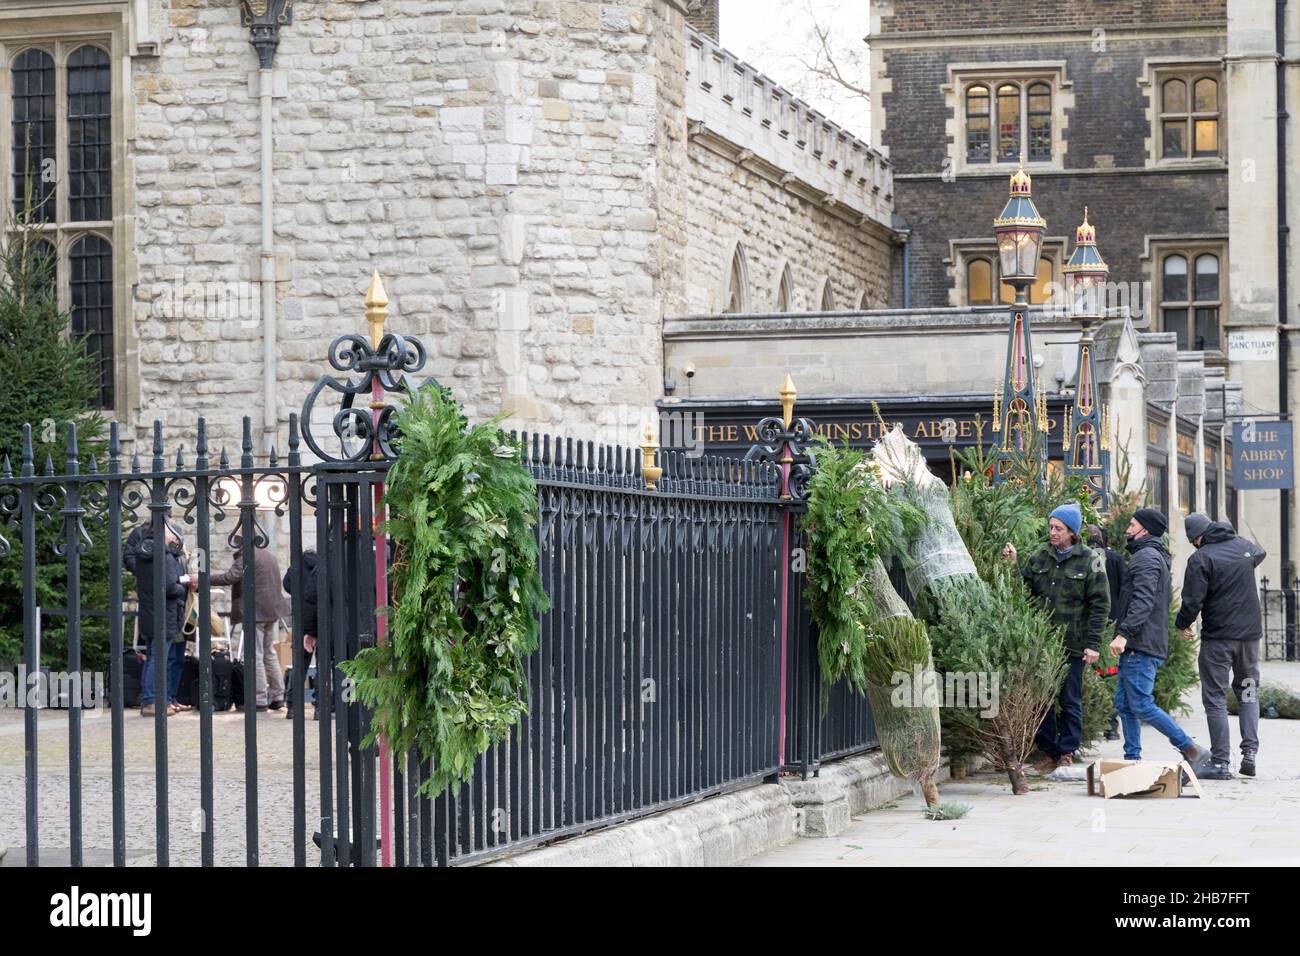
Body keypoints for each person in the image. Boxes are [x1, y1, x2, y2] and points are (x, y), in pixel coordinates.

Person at [1002, 502, 1109, 772]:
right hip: (1041, 643)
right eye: (1051, 527)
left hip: (1072, 643)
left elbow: (1100, 605)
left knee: (1069, 698)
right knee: (1042, 699)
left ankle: (1067, 752)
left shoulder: (1090, 559)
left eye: (1058, 528)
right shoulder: (1039, 556)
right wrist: (1013, 565)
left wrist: (1093, 644)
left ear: (1072, 531)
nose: (1053, 532)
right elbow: (1022, 592)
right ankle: (1049, 751)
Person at [1110, 508, 1213, 775]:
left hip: (1141, 644)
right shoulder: (1149, 555)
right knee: (1124, 704)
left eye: (1132, 524)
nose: (1127, 529)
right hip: (1140, 644)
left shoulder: (1145, 558)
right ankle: (1132, 758)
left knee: (1141, 704)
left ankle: (1190, 749)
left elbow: (1142, 601)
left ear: (1144, 529)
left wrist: (1124, 634)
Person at [1175, 512, 1268, 779]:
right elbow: (1259, 553)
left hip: (1218, 639)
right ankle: (1250, 753)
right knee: (1248, 692)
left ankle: (1221, 762)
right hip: (1250, 637)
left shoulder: (1201, 558)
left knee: (1215, 698)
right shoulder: (1243, 548)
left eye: (1194, 541)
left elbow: (1192, 601)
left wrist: (1182, 624)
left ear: (1197, 537)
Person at [125, 517, 196, 717]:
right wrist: (183, 586)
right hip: (164, 613)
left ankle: (152, 699)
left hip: (149, 611)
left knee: (152, 657)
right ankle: (151, 701)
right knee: (158, 658)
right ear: (163, 534)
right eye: (171, 531)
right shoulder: (164, 556)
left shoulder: (144, 554)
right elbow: (170, 587)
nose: (174, 534)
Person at [211, 544, 290, 712]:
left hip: (257, 611)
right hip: (272, 609)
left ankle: (259, 699)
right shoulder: (268, 555)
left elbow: (230, 577)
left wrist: (204, 579)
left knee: (255, 654)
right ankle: (278, 696)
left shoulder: (246, 555)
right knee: (269, 652)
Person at [1086, 523, 1125, 740]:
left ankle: (1093, 724)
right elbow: (1125, 590)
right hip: (1111, 626)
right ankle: (1111, 726)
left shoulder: (1082, 557)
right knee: (1109, 678)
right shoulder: (1117, 559)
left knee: (1091, 676)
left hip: (1090, 625)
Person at [282, 549, 319, 718]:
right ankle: (321, 707)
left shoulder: (297, 565)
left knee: (300, 664)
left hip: (302, 618)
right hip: (322, 617)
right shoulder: (322, 563)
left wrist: (299, 594)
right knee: (323, 665)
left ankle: (292, 707)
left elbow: (287, 584)